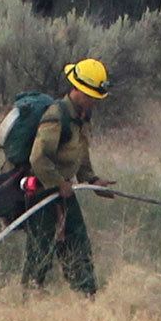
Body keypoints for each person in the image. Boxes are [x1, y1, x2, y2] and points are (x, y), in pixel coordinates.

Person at [21, 58, 119, 296]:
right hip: (42, 195)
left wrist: (92, 180)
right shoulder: (56, 117)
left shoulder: (81, 117)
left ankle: (86, 298)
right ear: (78, 90)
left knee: (78, 246)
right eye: (91, 95)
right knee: (40, 253)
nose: (95, 101)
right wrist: (58, 183)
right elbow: (38, 158)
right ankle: (28, 300)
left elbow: (80, 154)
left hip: (63, 195)